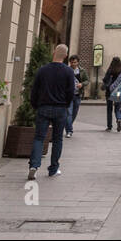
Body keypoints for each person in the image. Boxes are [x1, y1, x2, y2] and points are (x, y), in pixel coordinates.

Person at [27, 44, 75, 180]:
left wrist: (35, 105)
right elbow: (71, 92)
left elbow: (34, 90)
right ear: (65, 56)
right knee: (58, 139)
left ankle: (34, 166)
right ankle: (53, 168)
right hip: (60, 108)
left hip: (43, 107)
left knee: (39, 138)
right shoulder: (68, 72)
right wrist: (65, 105)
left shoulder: (43, 70)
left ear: (54, 52)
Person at [101, 56, 121, 132]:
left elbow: (105, 79)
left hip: (109, 91)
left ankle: (109, 126)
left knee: (109, 109)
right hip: (118, 91)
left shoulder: (110, 70)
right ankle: (119, 119)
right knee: (117, 108)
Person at [65, 54, 85, 137]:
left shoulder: (82, 70)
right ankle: (69, 131)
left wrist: (82, 84)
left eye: (75, 62)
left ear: (78, 62)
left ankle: (68, 125)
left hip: (78, 95)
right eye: (72, 62)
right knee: (69, 113)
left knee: (74, 113)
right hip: (69, 95)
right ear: (70, 62)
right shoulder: (67, 70)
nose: (74, 64)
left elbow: (87, 80)